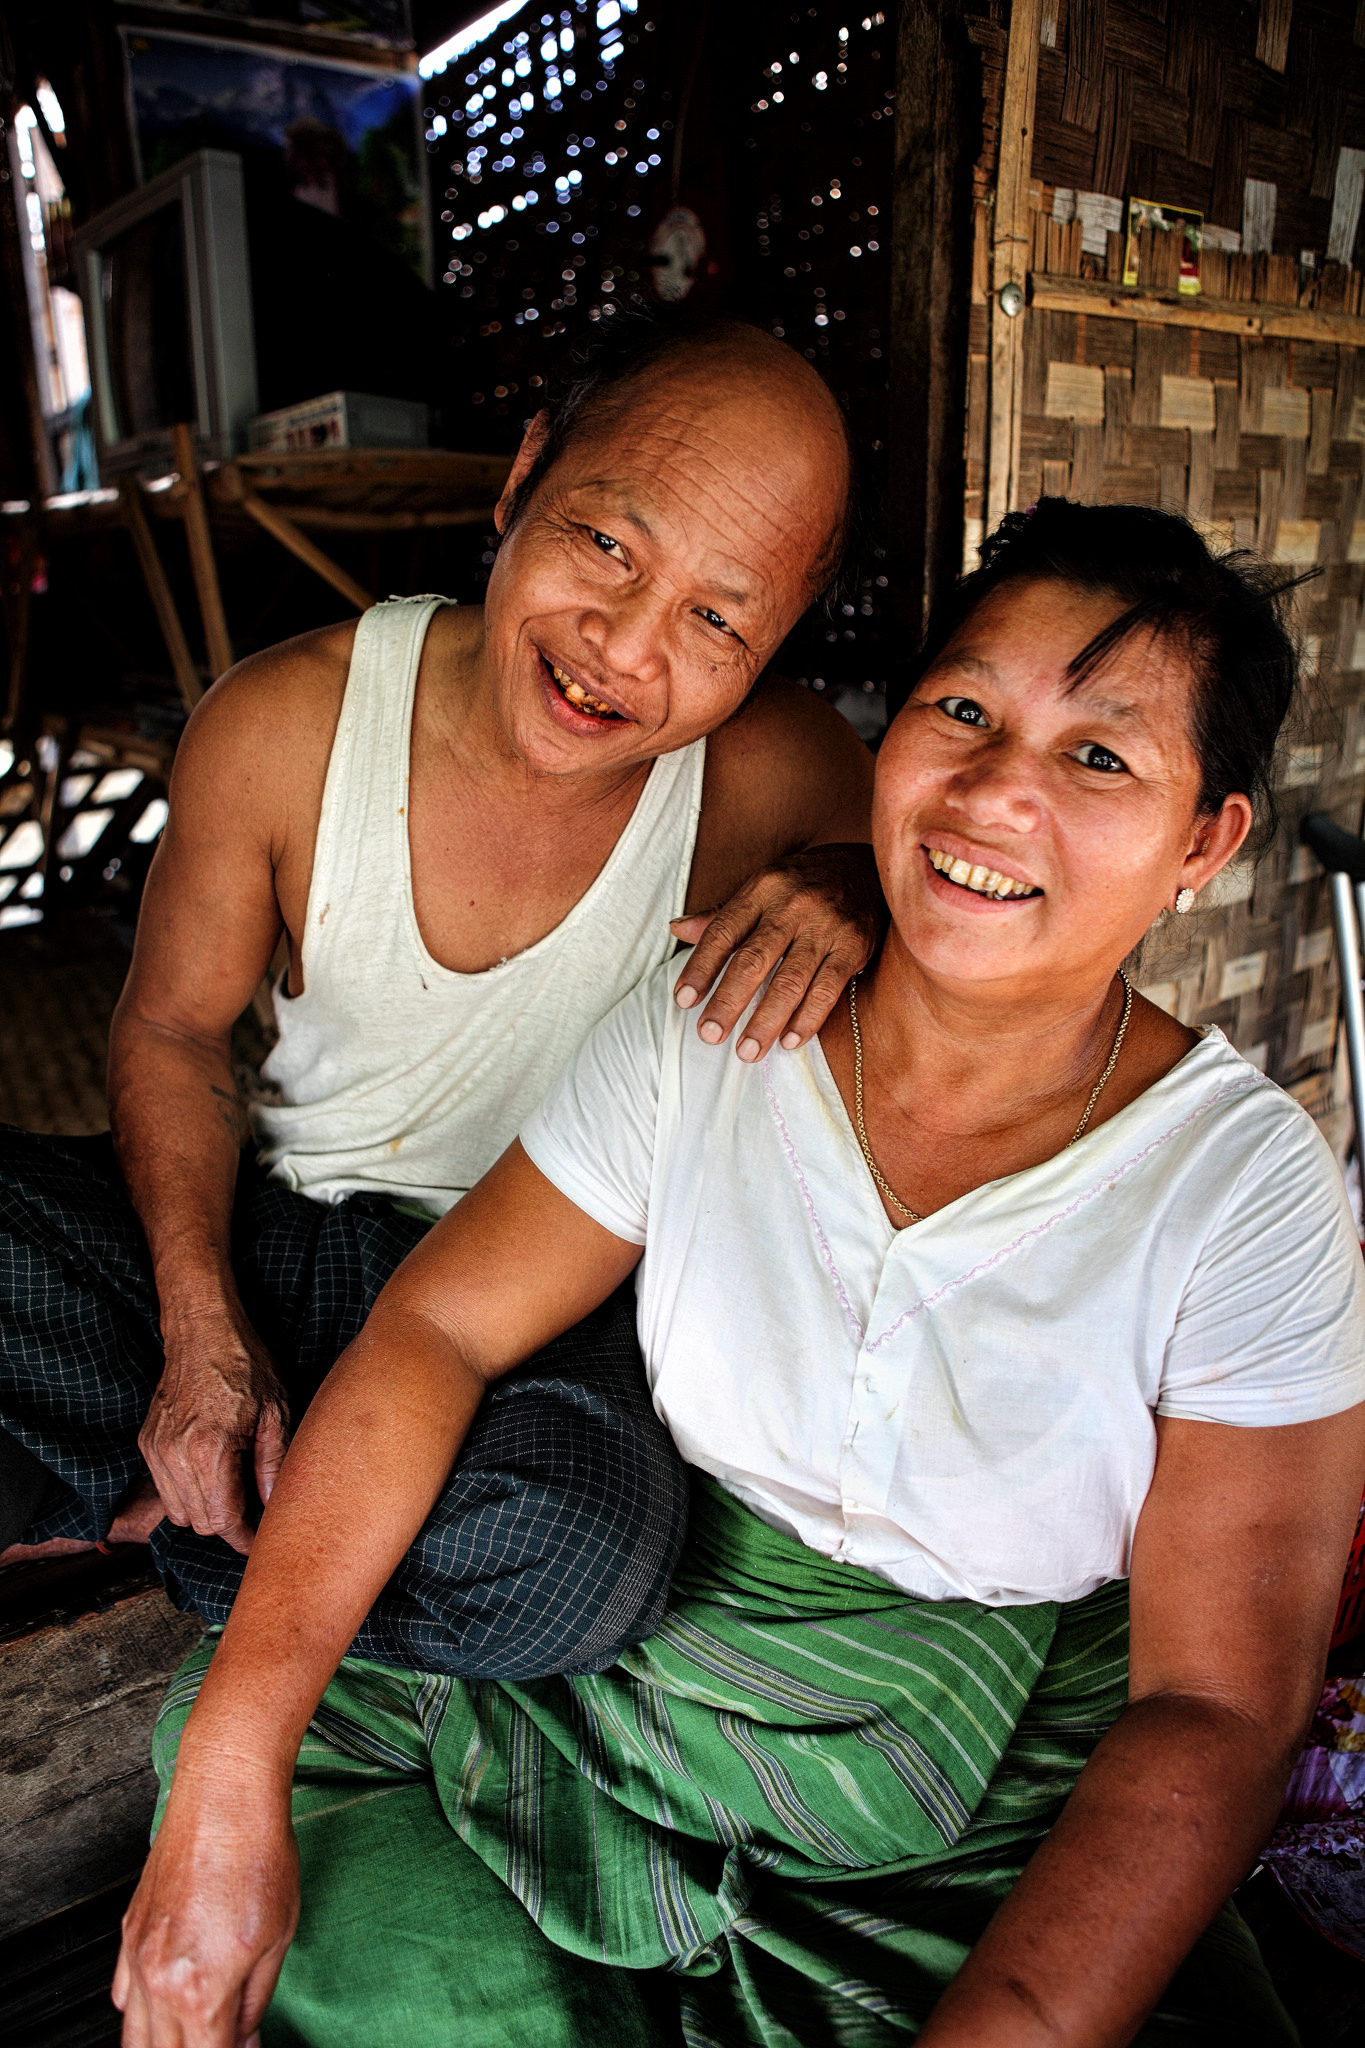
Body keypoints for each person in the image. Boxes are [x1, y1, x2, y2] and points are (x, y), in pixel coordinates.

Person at [118, 500, 1365, 2047]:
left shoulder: (1239, 1194)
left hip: (982, 1822)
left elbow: (1215, 1709)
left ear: (1203, 843)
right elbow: (437, 1327)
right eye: (961, 711)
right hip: (601, 1705)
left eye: (1098, 757)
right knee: (259, 1792)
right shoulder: (712, 1023)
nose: (992, 791)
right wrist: (234, 1776)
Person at [0, 317, 879, 1679]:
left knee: (583, 1558)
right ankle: (266, 1500)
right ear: (525, 476)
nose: (622, 648)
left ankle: (174, 1528)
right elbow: (174, 1028)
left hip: (535, 1312)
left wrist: (855, 890)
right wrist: (202, 1331)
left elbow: (948, 908)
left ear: (775, 644)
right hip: (272, 1229)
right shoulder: (283, 720)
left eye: (717, 618)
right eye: (608, 544)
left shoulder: (786, 776)